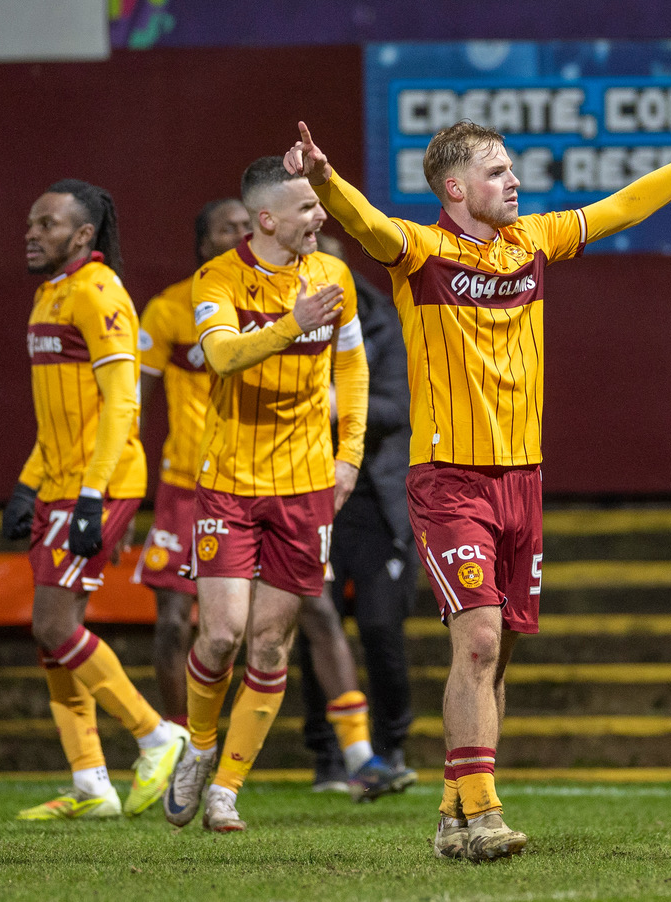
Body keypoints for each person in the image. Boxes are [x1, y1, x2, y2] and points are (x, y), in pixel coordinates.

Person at [286, 89, 671, 861]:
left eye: (512, 169)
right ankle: (483, 814)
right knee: (477, 641)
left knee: (500, 651)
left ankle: (454, 813)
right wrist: (324, 180)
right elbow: (367, 225)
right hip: (450, 477)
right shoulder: (420, 252)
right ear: (455, 188)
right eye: (496, 171)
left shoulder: (535, 242)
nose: (513, 182)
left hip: (524, 480)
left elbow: (626, 205)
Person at [163, 156, 396, 834]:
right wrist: (292, 323)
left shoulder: (334, 275)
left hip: (303, 487)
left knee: (269, 646)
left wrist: (347, 455)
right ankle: (198, 747)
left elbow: (352, 369)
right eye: (307, 209)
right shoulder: (216, 280)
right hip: (230, 482)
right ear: (268, 219)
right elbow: (226, 355)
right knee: (221, 636)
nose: (321, 217)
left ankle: (226, 791)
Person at [1, 179, 188, 821]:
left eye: (47, 224)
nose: (32, 233)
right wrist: (30, 482)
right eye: (30, 221)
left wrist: (89, 495)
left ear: (83, 236)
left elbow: (122, 406)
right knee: (55, 636)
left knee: (53, 624)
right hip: (59, 482)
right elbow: (60, 414)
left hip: (99, 485)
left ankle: (159, 737)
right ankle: (91, 785)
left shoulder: (101, 295)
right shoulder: (49, 295)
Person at [297, 233, 418, 794]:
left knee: (378, 625)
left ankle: (391, 747)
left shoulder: (382, 320)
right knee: (314, 627)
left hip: (374, 497)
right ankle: (329, 757)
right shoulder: (278, 320)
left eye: (331, 268)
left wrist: (334, 403)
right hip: (301, 491)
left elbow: (400, 407)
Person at [133, 198, 252, 727]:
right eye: (229, 228)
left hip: (257, 480)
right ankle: (181, 738)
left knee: (271, 624)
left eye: (250, 226)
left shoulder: (273, 302)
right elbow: (133, 402)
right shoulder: (168, 309)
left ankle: (346, 750)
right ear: (203, 244)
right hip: (186, 484)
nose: (243, 234)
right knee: (173, 623)